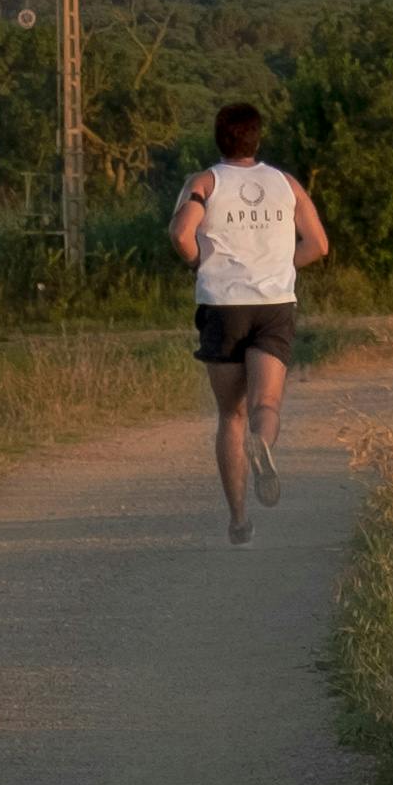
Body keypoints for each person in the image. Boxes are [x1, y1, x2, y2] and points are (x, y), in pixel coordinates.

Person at [169, 101, 329, 544]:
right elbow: (317, 244)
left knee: (230, 414)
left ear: (219, 136)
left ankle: (239, 519)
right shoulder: (285, 184)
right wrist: (281, 267)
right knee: (266, 407)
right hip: (274, 303)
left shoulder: (205, 181)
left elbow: (181, 235)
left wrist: (201, 263)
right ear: (256, 138)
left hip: (223, 306)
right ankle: (264, 445)